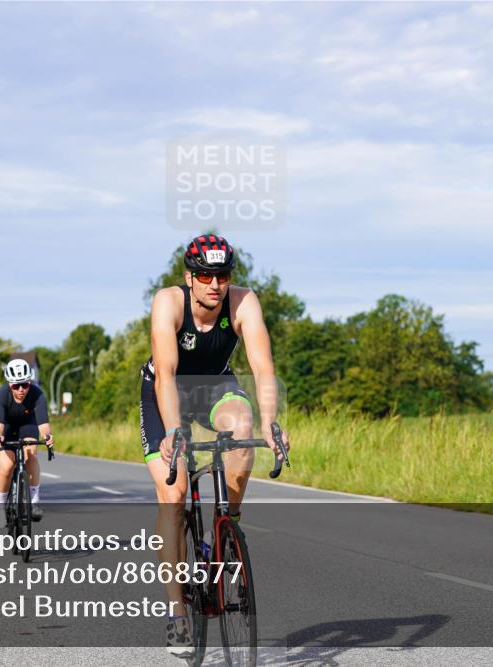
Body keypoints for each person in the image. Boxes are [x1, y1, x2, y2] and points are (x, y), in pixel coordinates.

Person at [141, 234, 290, 658]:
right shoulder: (168, 302)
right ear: (189, 276)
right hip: (164, 392)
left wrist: (271, 422)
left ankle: (224, 528)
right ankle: (176, 614)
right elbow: (167, 374)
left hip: (214, 387)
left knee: (242, 435)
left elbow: (262, 368)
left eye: (221, 275)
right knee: (174, 493)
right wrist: (173, 430)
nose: (214, 284)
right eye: (204, 275)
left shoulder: (243, 302)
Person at [0, 359, 53, 527]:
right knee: (7, 467)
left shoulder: (37, 394)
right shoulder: (2, 395)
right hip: (7, 427)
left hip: (28, 425)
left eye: (24, 385)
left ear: (29, 382)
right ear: (9, 385)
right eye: (16, 386)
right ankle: (0, 507)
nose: (20, 390)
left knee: (31, 456)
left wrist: (47, 436)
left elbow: (44, 425)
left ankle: (34, 501)